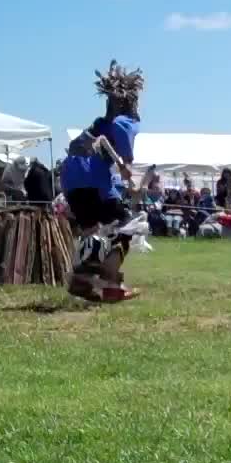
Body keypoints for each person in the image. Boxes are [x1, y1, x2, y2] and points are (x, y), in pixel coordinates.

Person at [60, 60, 144, 302]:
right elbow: (120, 134)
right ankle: (109, 281)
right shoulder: (125, 121)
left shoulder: (97, 124)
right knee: (131, 225)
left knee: (93, 231)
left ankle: (81, 281)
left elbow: (79, 146)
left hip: (71, 179)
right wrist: (126, 166)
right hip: (93, 179)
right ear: (132, 101)